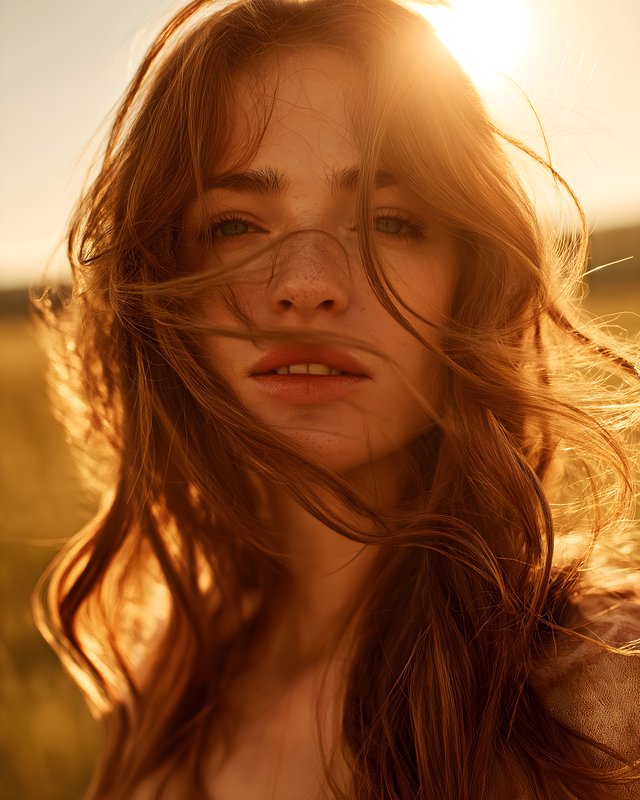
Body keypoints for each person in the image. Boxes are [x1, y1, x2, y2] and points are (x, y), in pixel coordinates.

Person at [34, 0, 640, 797]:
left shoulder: (599, 686)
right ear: (161, 285)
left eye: (390, 220)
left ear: (471, 279)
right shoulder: (164, 669)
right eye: (236, 226)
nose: (308, 285)